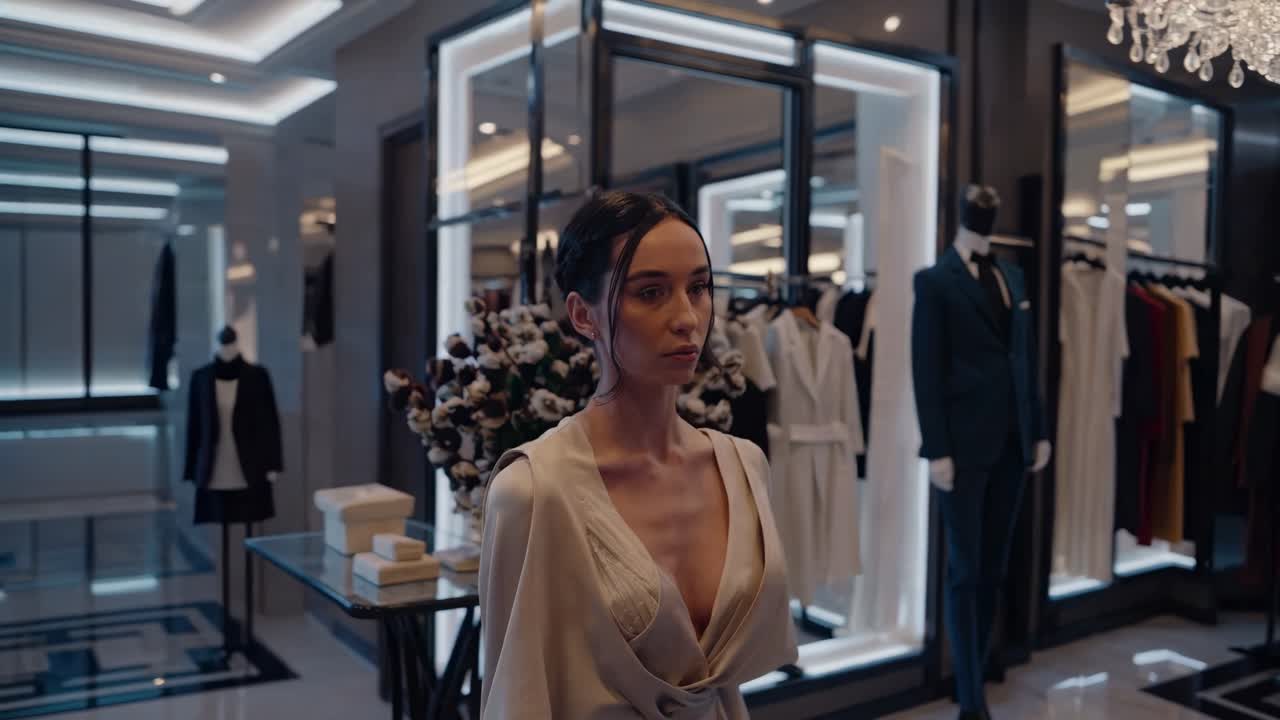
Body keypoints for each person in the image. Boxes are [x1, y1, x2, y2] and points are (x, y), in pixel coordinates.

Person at [480, 191, 798, 719]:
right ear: (583, 315)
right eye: (651, 292)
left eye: (698, 288)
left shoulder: (743, 467)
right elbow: (514, 693)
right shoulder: (532, 492)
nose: (687, 319)